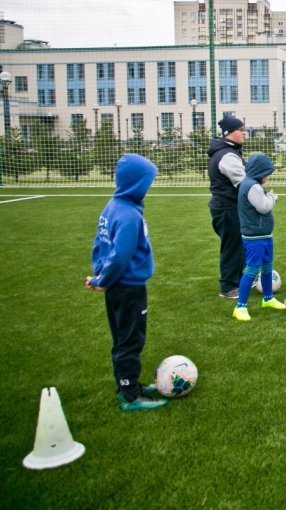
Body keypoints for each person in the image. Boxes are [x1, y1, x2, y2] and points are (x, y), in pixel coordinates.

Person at [85, 154, 168, 411]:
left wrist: (100, 276)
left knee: (124, 337)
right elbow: (120, 255)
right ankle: (130, 396)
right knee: (130, 340)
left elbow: (99, 247)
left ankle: (128, 384)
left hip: (117, 286)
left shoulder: (112, 206)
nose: (149, 187)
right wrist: (104, 279)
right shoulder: (129, 214)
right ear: (135, 183)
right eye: (147, 182)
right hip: (128, 287)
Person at [232, 153, 285, 321]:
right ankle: (240, 307)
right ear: (259, 172)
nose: (268, 177)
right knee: (253, 270)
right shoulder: (251, 186)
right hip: (255, 237)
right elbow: (264, 207)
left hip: (263, 235)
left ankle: (268, 299)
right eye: (267, 173)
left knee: (268, 268)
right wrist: (272, 197)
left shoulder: (250, 184)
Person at [208, 115, 246, 299]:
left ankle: (238, 280)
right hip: (227, 208)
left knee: (239, 245)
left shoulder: (228, 152)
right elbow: (243, 183)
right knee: (232, 247)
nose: (244, 133)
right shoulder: (227, 155)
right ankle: (228, 287)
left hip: (228, 207)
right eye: (241, 130)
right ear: (230, 133)